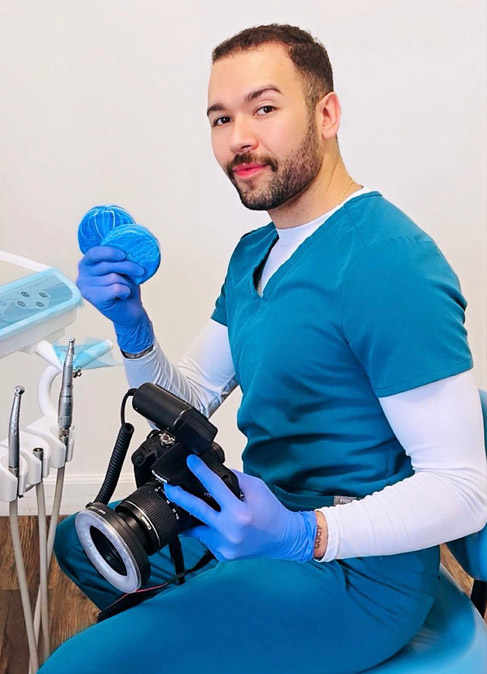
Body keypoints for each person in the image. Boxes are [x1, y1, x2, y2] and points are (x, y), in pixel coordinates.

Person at [41, 24, 487, 674]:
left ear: (326, 114)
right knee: (84, 545)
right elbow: (190, 396)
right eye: (221, 118)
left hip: (353, 575)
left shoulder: (389, 264)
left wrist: (304, 535)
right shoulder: (257, 252)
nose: (238, 138)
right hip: (259, 517)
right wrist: (132, 326)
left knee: (74, 668)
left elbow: (463, 489)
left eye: (264, 108)